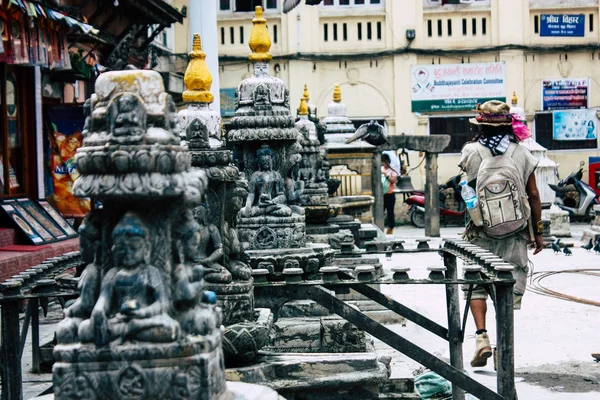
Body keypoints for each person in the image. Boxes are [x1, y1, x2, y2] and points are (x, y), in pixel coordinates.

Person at [459, 100, 544, 368]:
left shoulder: (471, 151)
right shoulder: (522, 154)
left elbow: (468, 193)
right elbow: (533, 195)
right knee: (506, 287)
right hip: (515, 234)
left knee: (477, 284)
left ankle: (481, 337)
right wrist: (538, 232)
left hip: (480, 233)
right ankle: (501, 349)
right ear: (509, 125)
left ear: (480, 125)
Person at [381, 153, 399, 235]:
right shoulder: (380, 169)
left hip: (390, 194)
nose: (383, 164)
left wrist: (386, 175)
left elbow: (394, 180)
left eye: (384, 162)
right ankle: (380, 228)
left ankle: (390, 228)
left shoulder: (392, 170)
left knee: (390, 212)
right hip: (381, 194)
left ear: (387, 161)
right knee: (381, 211)